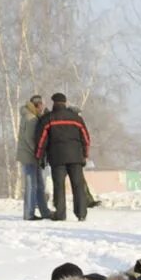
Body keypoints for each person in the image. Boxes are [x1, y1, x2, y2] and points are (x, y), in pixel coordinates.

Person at [34, 92, 95, 221]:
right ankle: (81, 213)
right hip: (76, 158)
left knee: (59, 186)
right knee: (78, 185)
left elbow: (41, 140)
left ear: (54, 103)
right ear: (65, 102)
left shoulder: (48, 119)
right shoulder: (76, 118)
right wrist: (85, 154)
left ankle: (60, 214)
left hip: (57, 158)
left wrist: (39, 156)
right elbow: (86, 138)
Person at [18, 93, 49, 220]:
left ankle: (44, 211)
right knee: (31, 185)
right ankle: (29, 213)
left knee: (39, 184)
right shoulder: (31, 118)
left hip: (31, 155)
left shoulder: (31, 116)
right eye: (41, 104)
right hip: (30, 156)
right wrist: (38, 153)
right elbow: (30, 139)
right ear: (37, 105)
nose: (42, 107)